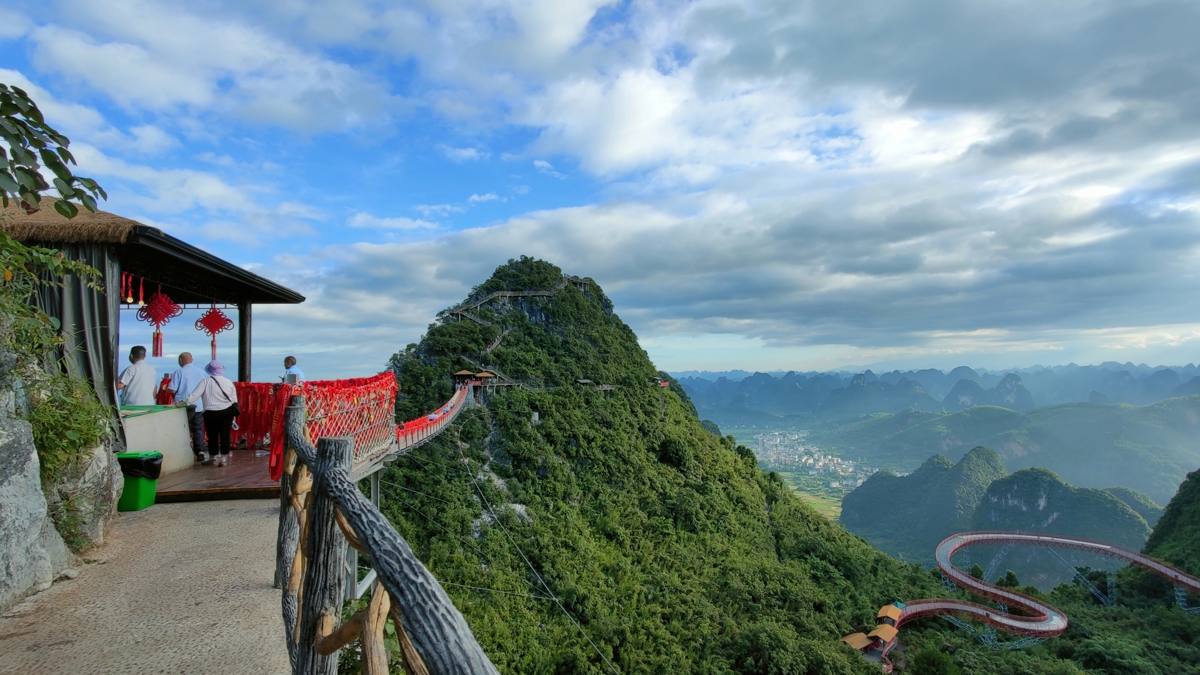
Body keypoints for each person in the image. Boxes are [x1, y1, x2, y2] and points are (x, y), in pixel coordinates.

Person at [176, 360, 238, 467]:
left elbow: (193, 396)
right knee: (225, 435)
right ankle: (223, 459)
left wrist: (179, 403)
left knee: (212, 435)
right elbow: (234, 399)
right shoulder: (228, 382)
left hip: (210, 412)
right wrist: (234, 415)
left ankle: (212, 457)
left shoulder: (205, 381)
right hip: (227, 411)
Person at [168, 352, 208, 464]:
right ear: (192, 359)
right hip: (198, 405)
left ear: (181, 360)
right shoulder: (202, 373)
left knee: (182, 428)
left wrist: (174, 398)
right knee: (198, 428)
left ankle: (183, 450)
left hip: (182, 406)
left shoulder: (178, 372)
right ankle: (200, 450)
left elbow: (172, 390)